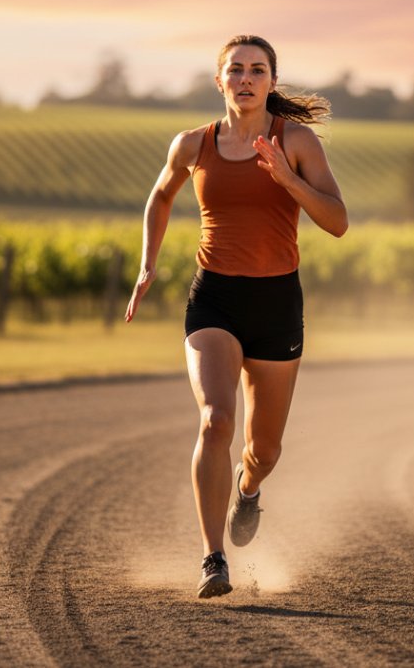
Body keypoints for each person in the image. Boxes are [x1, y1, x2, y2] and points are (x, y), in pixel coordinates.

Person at [124, 35, 348, 598]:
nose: (246, 79)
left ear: (272, 81)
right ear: (219, 80)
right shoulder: (193, 144)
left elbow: (338, 221)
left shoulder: (295, 141)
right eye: (236, 70)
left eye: (257, 70)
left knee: (264, 451)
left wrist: (288, 179)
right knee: (215, 420)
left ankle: (248, 492)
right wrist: (148, 263)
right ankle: (212, 559)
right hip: (214, 299)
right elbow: (160, 197)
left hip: (276, 304)